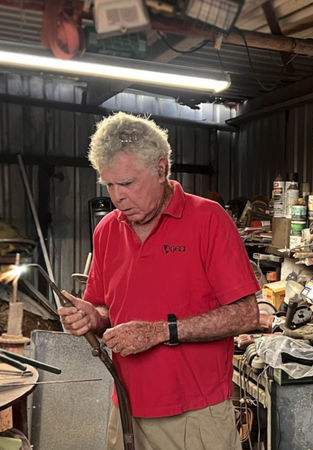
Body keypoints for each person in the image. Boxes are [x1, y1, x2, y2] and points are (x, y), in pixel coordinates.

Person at [58, 113, 260, 450]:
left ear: (161, 169)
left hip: (195, 416)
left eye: (127, 183)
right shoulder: (106, 230)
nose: (117, 197)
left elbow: (246, 315)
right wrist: (90, 318)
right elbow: (104, 308)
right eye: (109, 185)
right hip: (125, 409)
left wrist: (160, 332)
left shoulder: (208, 220)